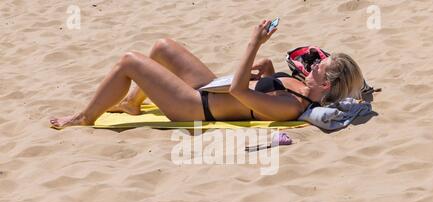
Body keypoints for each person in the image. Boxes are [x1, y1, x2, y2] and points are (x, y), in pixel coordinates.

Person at [49, 20, 364, 129]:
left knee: (130, 61)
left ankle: (83, 117)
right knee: (162, 47)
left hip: (195, 105)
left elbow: (241, 93)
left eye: (318, 68)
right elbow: (266, 79)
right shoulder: (299, 86)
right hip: (211, 87)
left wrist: (253, 44)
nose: (311, 66)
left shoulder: (293, 105)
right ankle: (132, 102)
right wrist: (264, 68)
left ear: (325, 84)